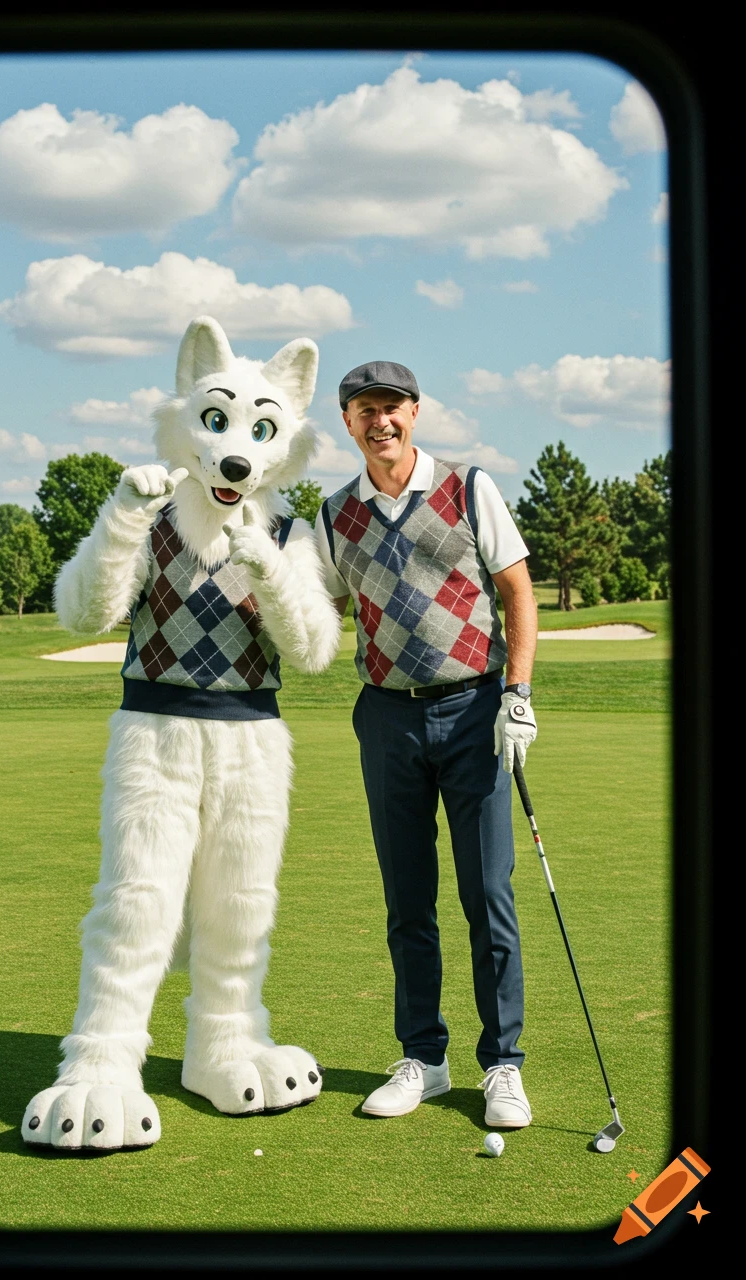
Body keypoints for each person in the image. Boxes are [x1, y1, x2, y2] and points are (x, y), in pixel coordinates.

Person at [314, 360, 539, 1127]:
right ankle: (425, 1059)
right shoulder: (333, 513)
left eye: (394, 408)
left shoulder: (468, 487)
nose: (381, 421)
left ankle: (502, 1066)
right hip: (386, 716)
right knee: (408, 901)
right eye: (365, 410)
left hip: (475, 708)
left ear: (417, 413)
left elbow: (516, 590)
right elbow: (310, 606)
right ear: (347, 422)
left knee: (488, 896)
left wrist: (518, 693)